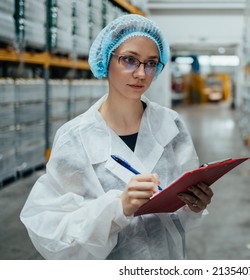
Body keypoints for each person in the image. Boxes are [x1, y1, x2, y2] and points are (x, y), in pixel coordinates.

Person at [20, 14, 214, 260]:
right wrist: (118, 208)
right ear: (106, 60)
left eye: (151, 63)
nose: (142, 74)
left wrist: (194, 204)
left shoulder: (170, 124)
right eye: (130, 60)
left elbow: (181, 206)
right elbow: (50, 228)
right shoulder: (75, 138)